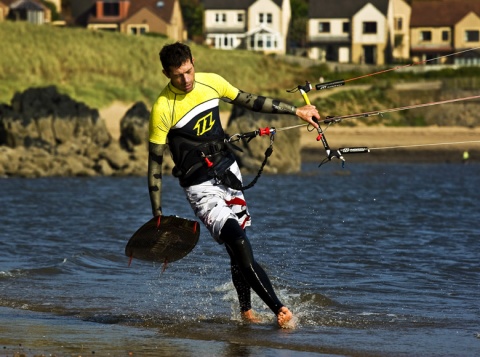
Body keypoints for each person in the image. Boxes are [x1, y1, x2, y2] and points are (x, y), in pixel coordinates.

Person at [147, 42, 320, 328]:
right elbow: (154, 164)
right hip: (200, 187)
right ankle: (279, 308)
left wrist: (296, 111)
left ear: (193, 61)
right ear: (166, 73)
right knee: (237, 240)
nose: (187, 80)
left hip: (229, 174)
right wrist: (157, 214)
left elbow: (250, 100)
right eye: (178, 75)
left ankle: (246, 313)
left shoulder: (211, 82)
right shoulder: (162, 108)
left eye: (189, 71)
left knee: (237, 248)